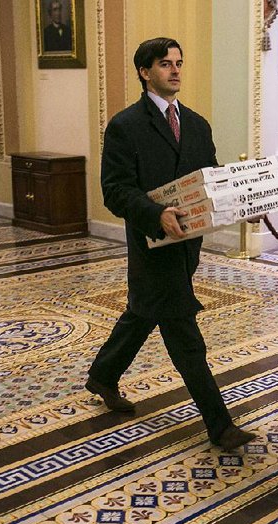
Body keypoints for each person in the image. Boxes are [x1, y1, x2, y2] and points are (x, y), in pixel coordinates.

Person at [86, 37, 256, 452]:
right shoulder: (125, 126)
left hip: (187, 246)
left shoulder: (197, 124)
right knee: (182, 329)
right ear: (145, 72)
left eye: (179, 62)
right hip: (151, 244)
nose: (176, 70)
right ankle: (220, 425)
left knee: (143, 313)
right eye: (166, 64)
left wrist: (242, 204)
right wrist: (154, 213)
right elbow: (115, 190)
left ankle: (103, 375)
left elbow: (210, 182)